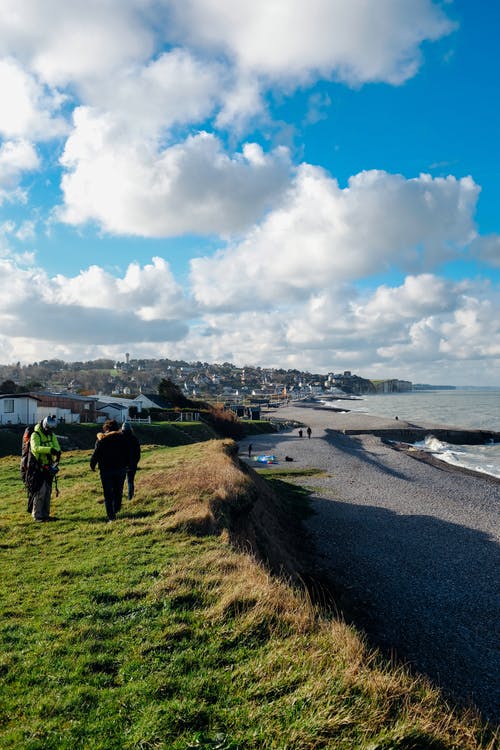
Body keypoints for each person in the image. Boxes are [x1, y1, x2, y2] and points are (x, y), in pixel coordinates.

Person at [90, 419, 129, 522]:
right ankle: (116, 509)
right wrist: (128, 465)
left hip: (106, 470)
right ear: (117, 428)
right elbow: (128, 453)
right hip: (120, 469)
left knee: (108, 494)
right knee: (118, 491)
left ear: (106, 428)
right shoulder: (123, 438)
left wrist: (92, 465)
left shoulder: (101, 439)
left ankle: (111, 516)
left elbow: (96, 454)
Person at [29, 415, 61, 521]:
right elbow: (35, 448)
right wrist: (50, 450)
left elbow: (57, 447)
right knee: (40, 491)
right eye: (48, 429)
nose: (50, 431)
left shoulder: (52, 435)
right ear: (44, 425)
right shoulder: (35, 435)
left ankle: (45, 515)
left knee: (48, 491)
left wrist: (55, 452)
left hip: (49, 467)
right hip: (38, 467)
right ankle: (37, 515)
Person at [121, 421, 141, 500]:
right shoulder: (134, 439)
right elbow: (138, 453)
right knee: (130, 481)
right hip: (132, 464)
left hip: (121, 464)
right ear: (130, 429)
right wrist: (135, 462)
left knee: (120, 482)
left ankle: (119, 497)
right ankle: (130, 497)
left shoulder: (119, 438)